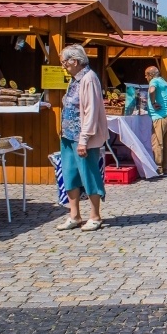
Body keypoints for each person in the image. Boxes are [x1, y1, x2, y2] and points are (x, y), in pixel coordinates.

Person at [55, 44, 108, 232]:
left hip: (83, 138)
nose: (63, 66)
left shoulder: (89, 78)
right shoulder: (74, 79)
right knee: (69, 175)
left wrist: (84, 139)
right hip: (68, 136)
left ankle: (95, 216)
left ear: (75, 61)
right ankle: (74, 215)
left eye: (64, 62)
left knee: (89, 175)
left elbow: (91, 110)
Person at [145, 66, 167, 175]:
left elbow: (152, 90)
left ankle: (158, 168)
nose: (145, 77)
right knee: (166, 144)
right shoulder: (163, 81)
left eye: (146, 74)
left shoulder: (154, 81)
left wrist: (152, 103)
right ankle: (165, 168)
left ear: (151, 75)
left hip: (159, 117)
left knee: (157, 143)